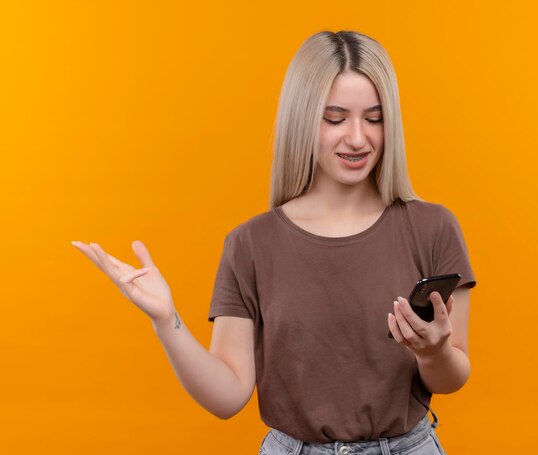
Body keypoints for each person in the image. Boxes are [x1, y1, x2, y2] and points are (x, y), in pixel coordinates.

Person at [72, 30, 477, 455]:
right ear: (302, 118)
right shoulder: (250, 244)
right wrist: (166, 320)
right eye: (334, 118)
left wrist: (433, 353)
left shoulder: (433, 228)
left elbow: (452, 377)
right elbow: (228, 396)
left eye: (374, 118)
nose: (358, 138)